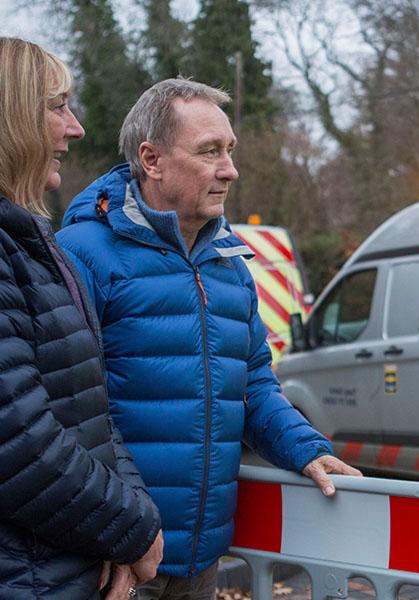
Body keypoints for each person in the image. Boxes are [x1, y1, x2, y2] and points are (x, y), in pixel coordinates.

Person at [58, 78, 361, 599]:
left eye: (230, 150)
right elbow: (70, 414)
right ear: (151, 160)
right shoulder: (81, 254)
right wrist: (113, 533)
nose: (230, 169)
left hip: (201, 559)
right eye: (209, 152)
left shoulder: (231, 264)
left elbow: (253, 385)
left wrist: (305, 448)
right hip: (115, 562)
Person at [0, 37, 163, 600]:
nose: (75, 128)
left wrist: (126, 525)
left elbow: (91, 413)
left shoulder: (30, 240)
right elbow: (19, 442)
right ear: (10, 115)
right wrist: (131, 529)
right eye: (56, 105)